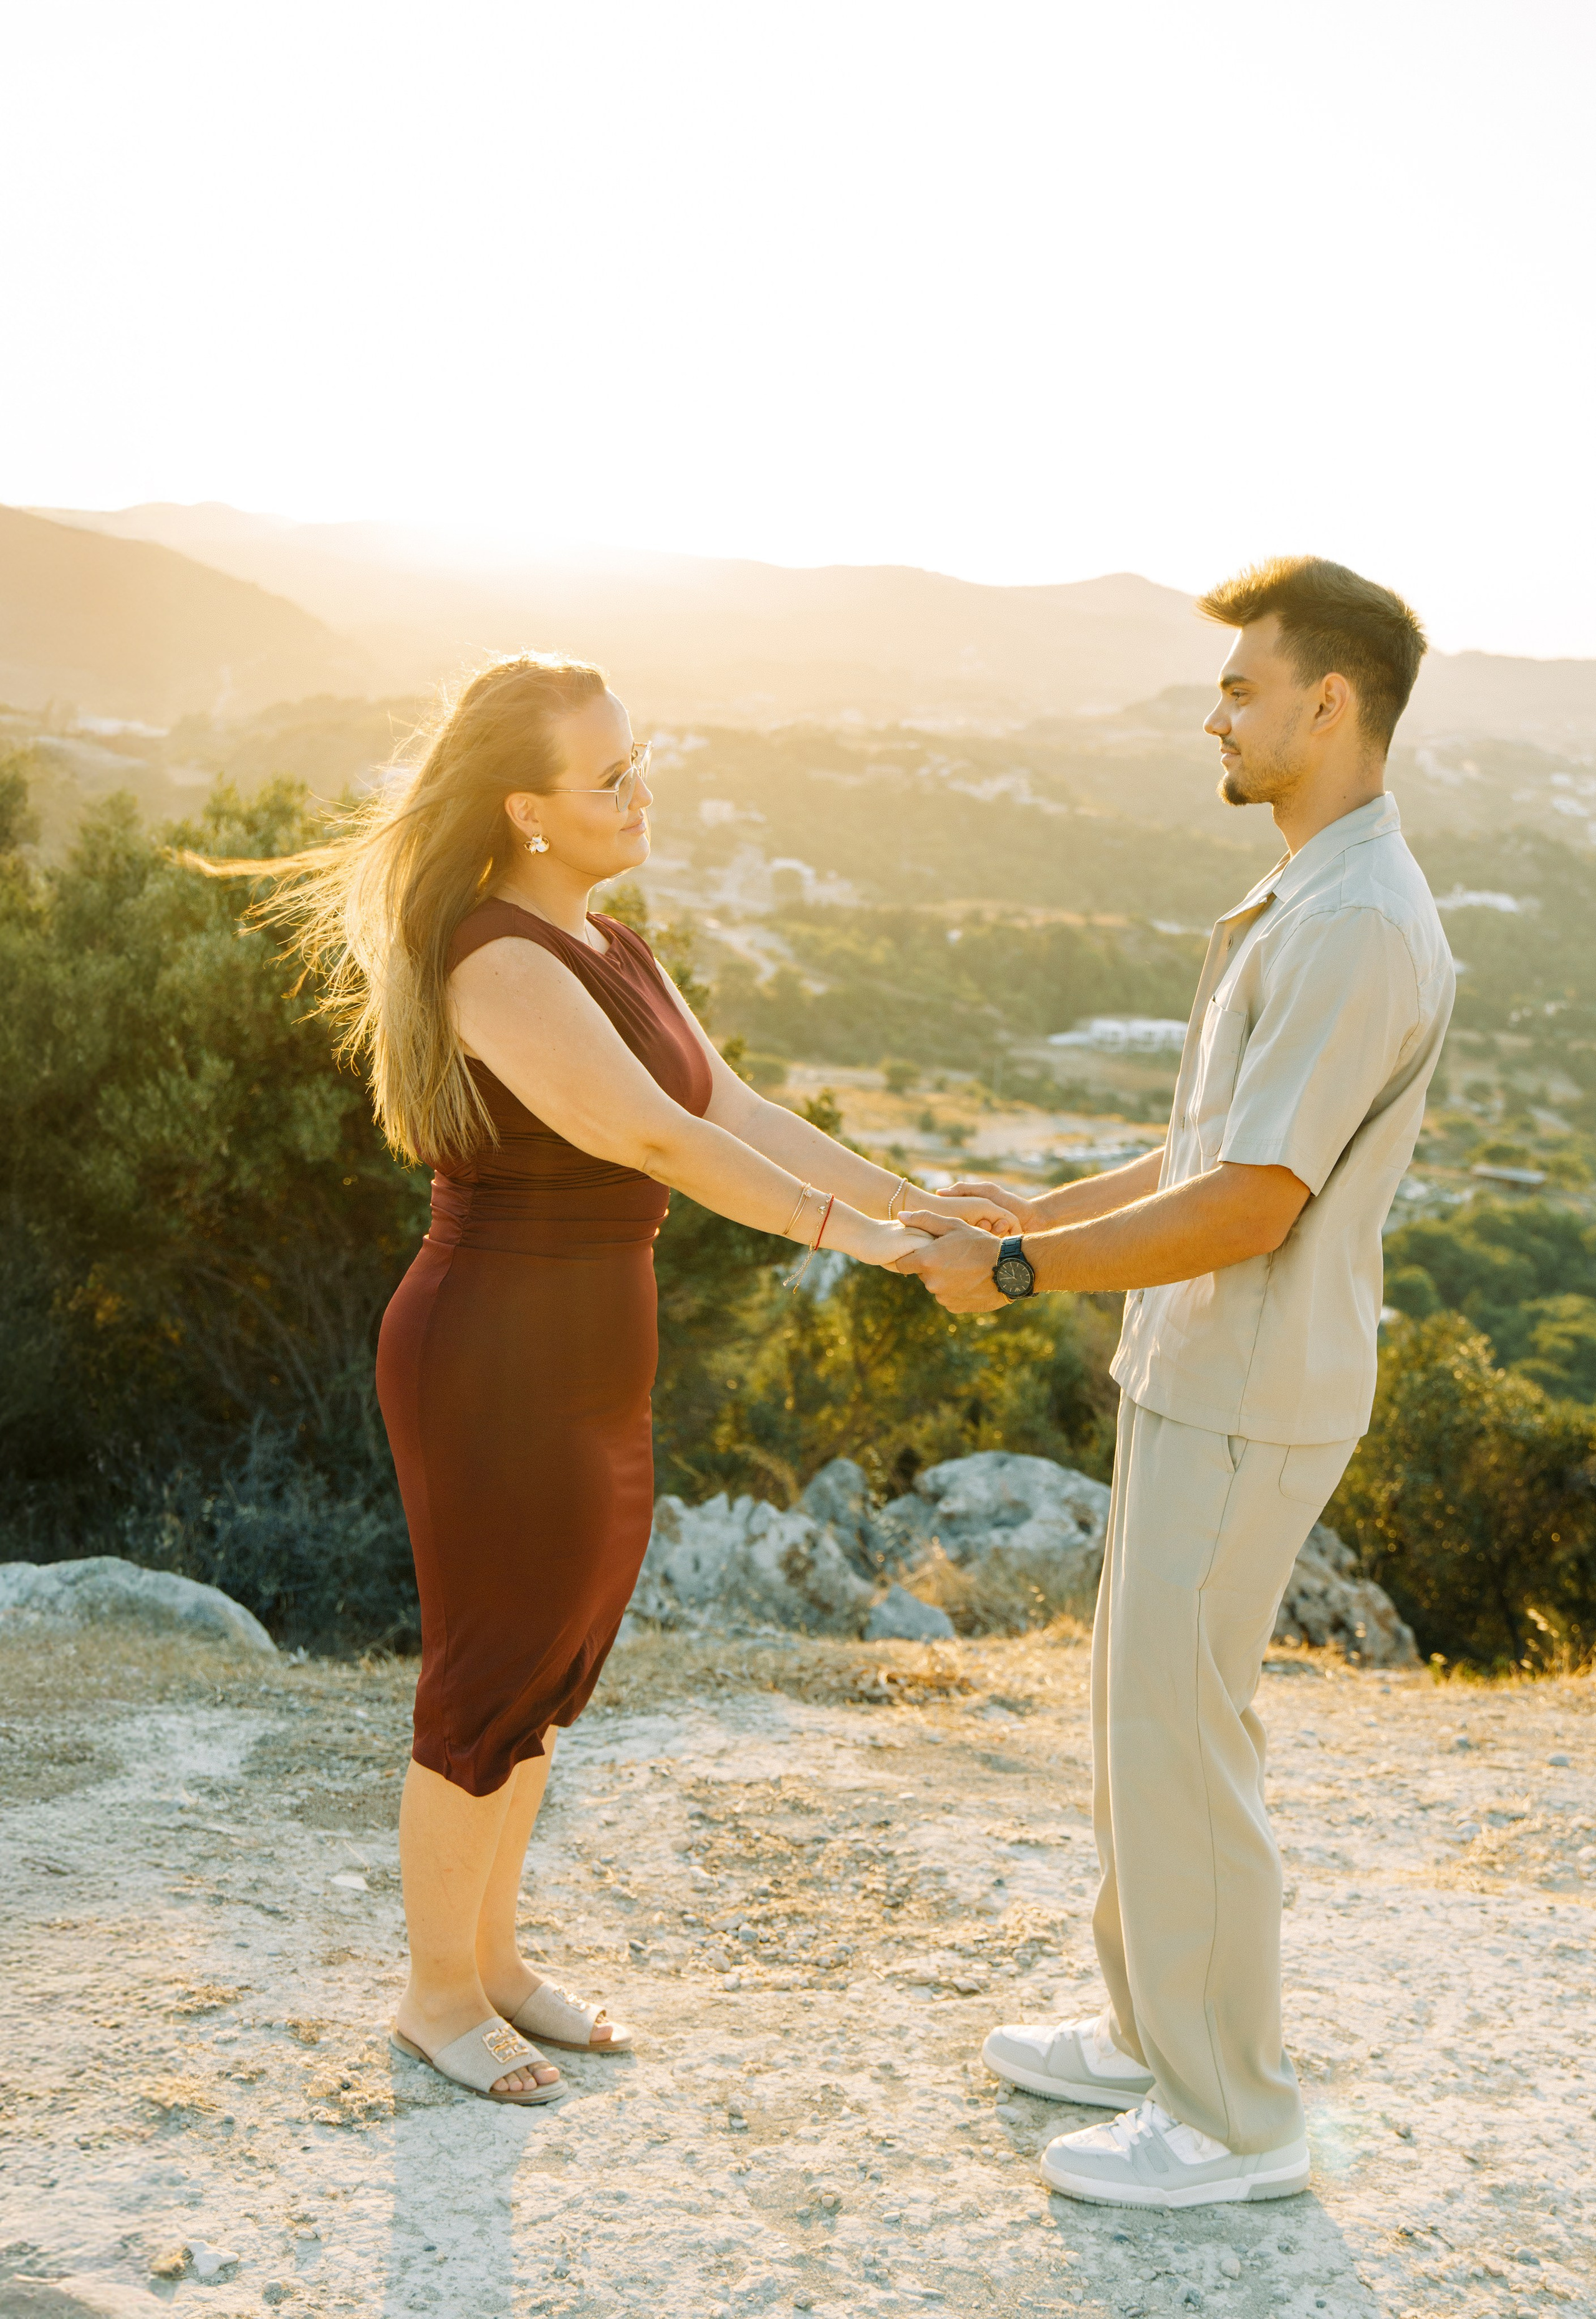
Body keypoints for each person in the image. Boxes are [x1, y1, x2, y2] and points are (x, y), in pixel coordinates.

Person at [202, 654, 1013, 2106]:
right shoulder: (498, 959)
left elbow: (733, 1106)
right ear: (525, 809)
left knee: (548, 1670)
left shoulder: (612, 944)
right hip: (494, 1355)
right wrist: (868, 1245)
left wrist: (919, 1201)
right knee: (485, 1678)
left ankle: (494, 1961)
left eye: (643, 762)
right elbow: (654, 1138)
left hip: (586, 1350)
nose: (645, 794)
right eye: (612, 778)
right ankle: (436, 1997)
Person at [897, 558, 1453, 2206]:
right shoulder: (1306, 895)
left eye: (1237, 688)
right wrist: (1033, 1216)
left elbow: (1252, 1204)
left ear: (1326, 706)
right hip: (1198, 1371)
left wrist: (1018, 1275)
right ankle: (1156, 2033)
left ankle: (1229, 2119)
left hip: (1247, 1389)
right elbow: (1204, 1153)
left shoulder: (1352, 923)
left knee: (1184, 1737)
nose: (1213, 717)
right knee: (1143, 1721)